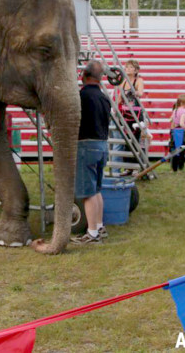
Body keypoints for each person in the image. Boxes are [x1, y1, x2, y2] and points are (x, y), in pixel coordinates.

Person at [71, 60, 110, 245]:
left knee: (88, 192)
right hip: (102, 144)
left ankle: (92, 233)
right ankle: (99, 226)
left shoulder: (82, 96)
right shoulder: (104, 97)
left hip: (86, 145)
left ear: (83, 76)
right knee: (97, 189)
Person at [112, 60, 146, 174]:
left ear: (136, 70)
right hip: (124, 113)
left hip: (135, 113)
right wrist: (117, 109)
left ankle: (136, 166)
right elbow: (120, 97)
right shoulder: (123, 81)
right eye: (127, 67)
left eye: (130, 67)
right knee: (125, 140)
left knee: (135, 140)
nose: (127, 69)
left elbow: (140, 93)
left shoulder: (138, 80)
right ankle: (127, 168)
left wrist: (134, 92)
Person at [169, 94, 185, 172]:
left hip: (175, 131)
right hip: (181, 132)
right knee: (182, 150)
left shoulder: (175, 110)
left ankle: (174, 168)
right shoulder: (184, 111)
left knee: (175, 150)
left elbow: (171, 120)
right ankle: (180, 168)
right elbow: (182, 123)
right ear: (183, 103)